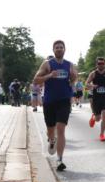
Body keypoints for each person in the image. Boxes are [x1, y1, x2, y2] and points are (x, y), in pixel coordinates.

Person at [33, 40, 78, 171]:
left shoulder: (69, 65)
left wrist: (73, 80)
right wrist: (49, 75)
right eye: (57, 47)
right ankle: (52, 140)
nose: (59, 49)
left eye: (61, 47)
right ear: (53, 50)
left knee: (61, 128)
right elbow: (36, 80)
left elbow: (73, 78)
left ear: (65, 49)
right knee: (51, 130)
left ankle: (59, 160)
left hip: (64, 100)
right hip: (49, 101)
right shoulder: (47, 64)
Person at [86, 57, 105, 142]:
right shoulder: (93, 74)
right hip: (96, 98)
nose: (101, 65)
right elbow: (87, 84)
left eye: (102, 63)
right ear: (96, 64)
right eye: (99, 63)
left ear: (104, 64)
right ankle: (93, 117)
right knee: (98, 118)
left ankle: (102, 134)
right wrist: (92, 86)